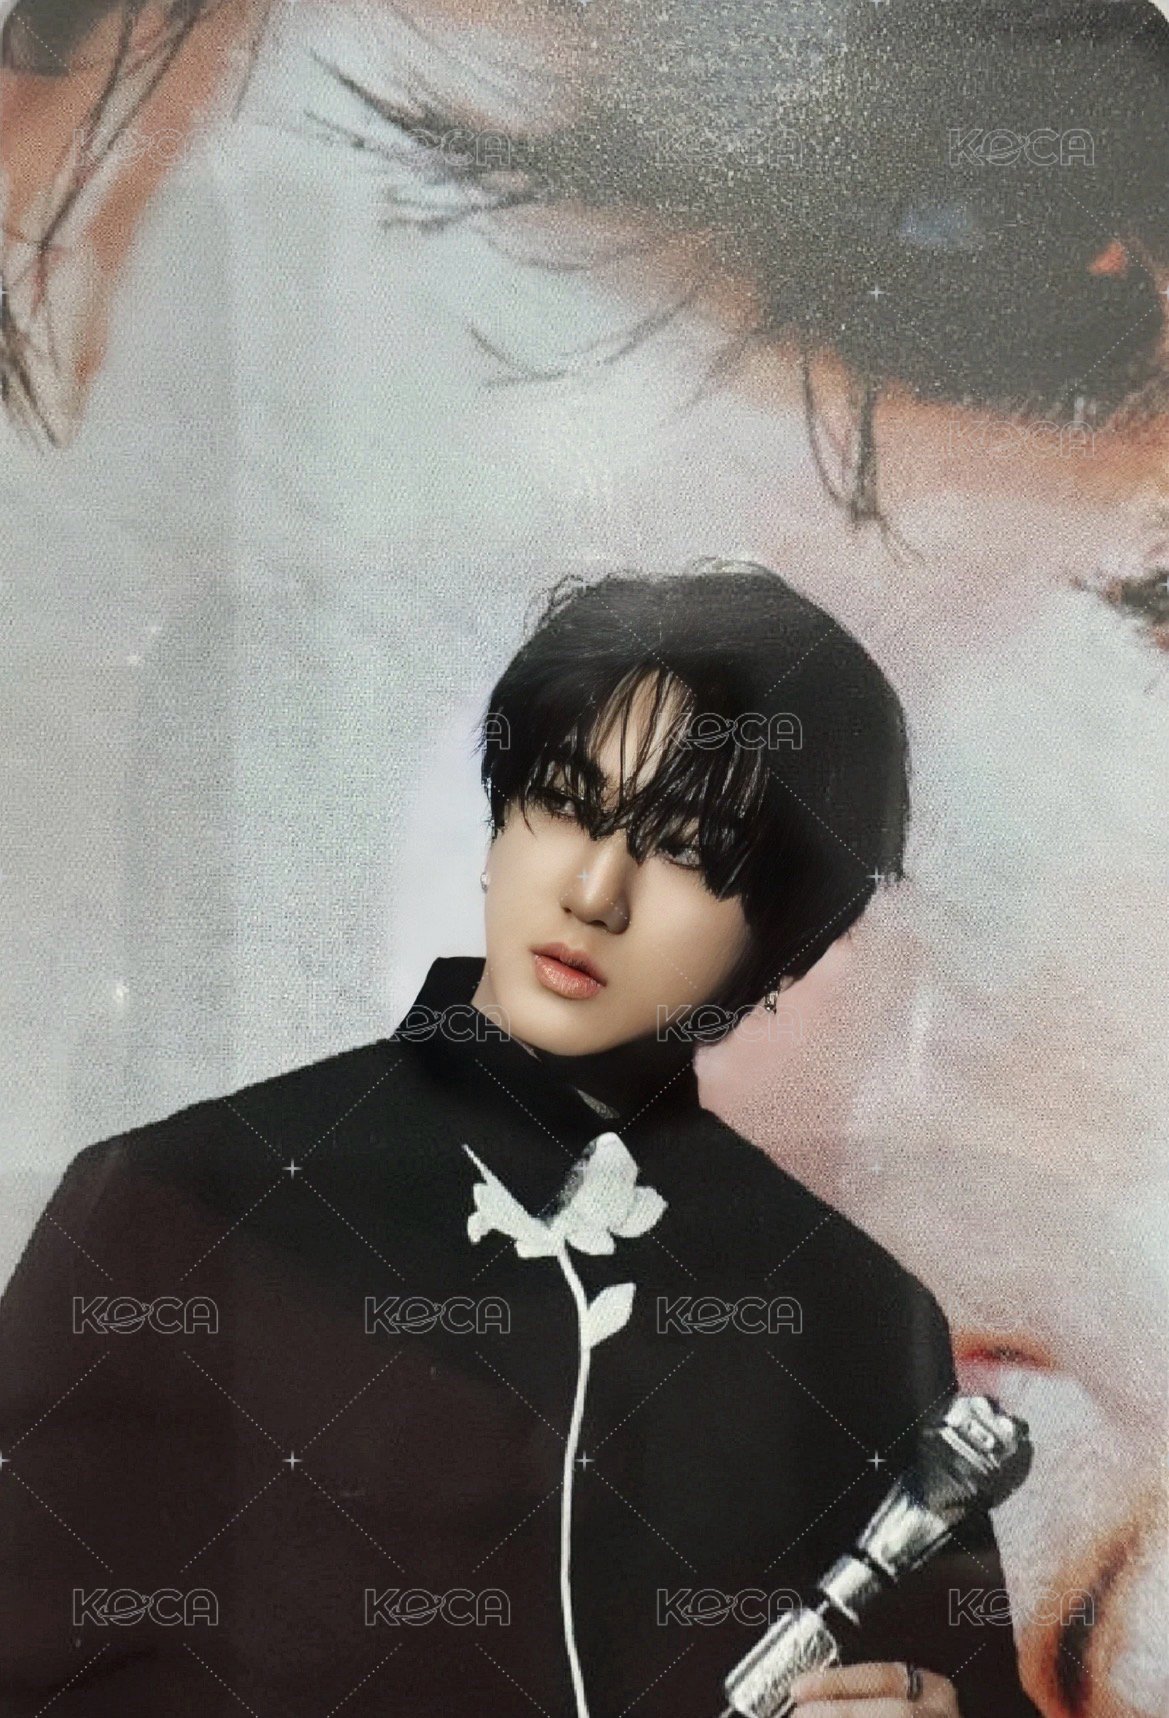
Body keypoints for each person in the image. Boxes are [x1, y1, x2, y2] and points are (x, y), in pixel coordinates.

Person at [0, 561, 1040, 1717]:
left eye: (686, 849)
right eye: (568, 802)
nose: (594, 891)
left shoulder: (856, 1320)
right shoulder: (170, 1206)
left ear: (783, 946)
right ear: (500, 820)